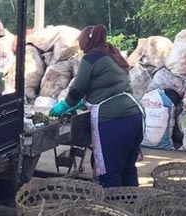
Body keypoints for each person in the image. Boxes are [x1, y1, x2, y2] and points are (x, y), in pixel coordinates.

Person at [49, 25, 143, 188]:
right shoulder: (111, 54)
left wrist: (65, 105)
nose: (80, 46)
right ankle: (131, 208)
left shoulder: (91, 58)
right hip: (134, 116)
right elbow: (104, 84)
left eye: (81, 42)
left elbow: (77, 88)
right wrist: (84, 101)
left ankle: (113, 212)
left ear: (87, 41)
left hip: (114, 120)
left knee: (110, 174)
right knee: (128, 170)